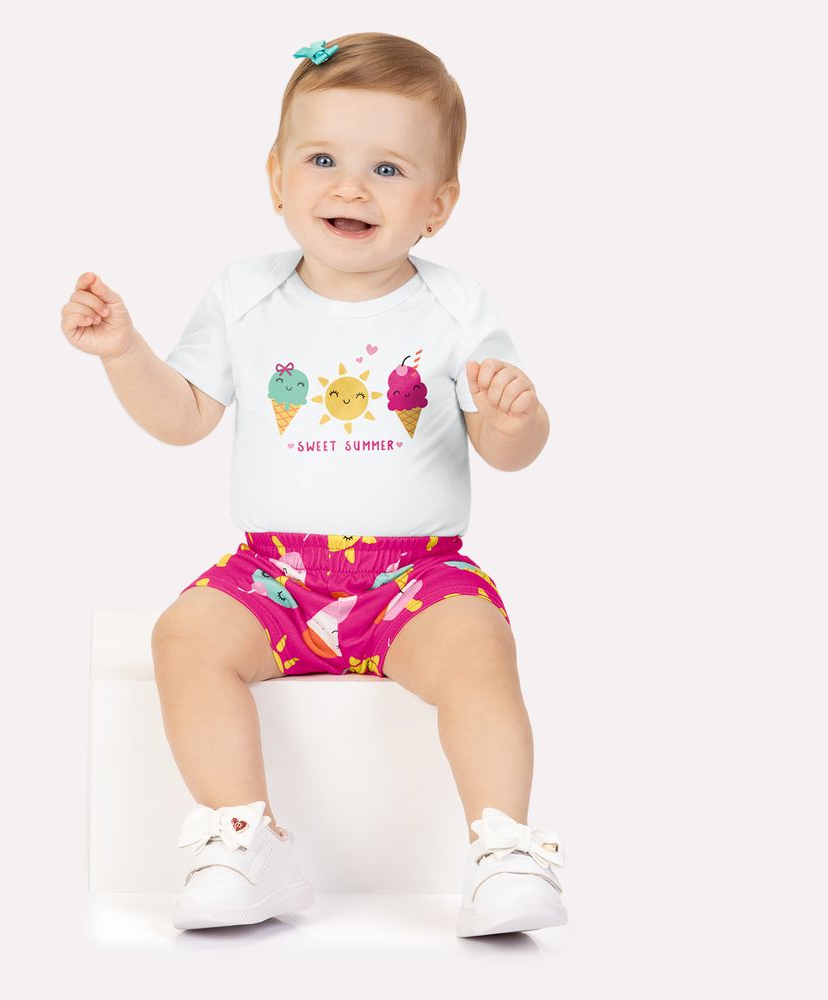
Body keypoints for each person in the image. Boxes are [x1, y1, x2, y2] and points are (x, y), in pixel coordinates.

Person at [60, 32, 567, 938]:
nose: (350, 187)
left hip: (417, 576)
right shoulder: (244, 295)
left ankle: (503, 849)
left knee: (480, 649)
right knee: (185, 634)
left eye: (387, 168)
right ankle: (246, 839)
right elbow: (184, 416)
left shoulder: (457, 307)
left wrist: (514, 417)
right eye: (323, 159)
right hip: (274, 574)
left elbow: (506, 451)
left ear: (438, 204)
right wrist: (124, 353)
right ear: (276, 178)